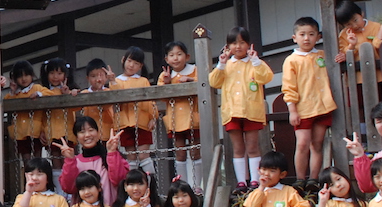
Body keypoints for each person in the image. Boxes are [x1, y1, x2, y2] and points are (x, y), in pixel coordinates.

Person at [208, 27, 273, 187]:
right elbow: (214, 82)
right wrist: (221, 64)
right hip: (232, 112)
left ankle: (255, 180)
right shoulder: (226, 65)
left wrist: (256, 61)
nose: (238, 46)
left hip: (252, 111)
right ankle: (241, 182)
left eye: (242, 42)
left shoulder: (255, 63)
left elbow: (266, 77)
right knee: (237, 147)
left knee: (252, 146)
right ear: (227, 46)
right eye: (233, 43)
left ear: (249, 44)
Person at [282, 17, 336, 182]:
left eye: (311, 34)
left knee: (317, 144)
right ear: (295, 37)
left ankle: (313, 179)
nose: (307, 38)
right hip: (303, 109)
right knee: (303, 144)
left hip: (323, 106)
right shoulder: (291, 60)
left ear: (318, 37)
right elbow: (288, 87)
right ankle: (300, 179)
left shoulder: (323, 55)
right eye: (302, 34)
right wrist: (292, 111)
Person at [158, 41, 200, 182]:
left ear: (187, 57)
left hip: (193, 118)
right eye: (171, 55)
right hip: (175, 120)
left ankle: (198, 185)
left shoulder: (195, 71)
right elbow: (161, 97)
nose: (175, 58)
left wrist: (190, 80)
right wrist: (167, 83)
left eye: (179, 54)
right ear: (167, 59)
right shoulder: (164, 75)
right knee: (180, 153)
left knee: (196, 152)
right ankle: (183, 183)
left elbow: (204, 84)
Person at [109, 46, 157, 164]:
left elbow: (151, 103)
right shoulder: (117, 81)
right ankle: (132, 181)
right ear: (123, 60)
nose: (131, 65)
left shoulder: (143, 81)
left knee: (144, 155)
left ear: (140, 66)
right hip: (125, 123)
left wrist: (153, 118)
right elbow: (116, 97)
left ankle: (150, 181)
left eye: (136, 63)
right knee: (131, 157)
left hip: (143, 122)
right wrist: (112, 81)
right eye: (129, 61)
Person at [6, 59, 46, 160]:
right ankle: (28, 175)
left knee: (38, 158)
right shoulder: (16, 93)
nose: (24, 79)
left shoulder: (37, 88)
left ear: (31, 75)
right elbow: (6, 102)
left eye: (26, 75)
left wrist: (39, 94)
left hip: (36, 130)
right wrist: (12, 92)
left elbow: (48, 93)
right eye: (20, 76)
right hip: (20, 131)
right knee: (26, 159)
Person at [39, 58, 76, 167]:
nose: (55, 77)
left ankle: (68, 182)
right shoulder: (43, 91)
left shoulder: (71, 90)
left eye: (59, 73)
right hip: (51, 131)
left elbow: (78, 107)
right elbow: (40, 114)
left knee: (67, 159)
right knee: (55, 159)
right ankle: (58, 183)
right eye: (52, 73)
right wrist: (41, 130)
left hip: (68, 131)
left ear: (66, 74)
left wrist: (68, 94)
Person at [333, 0, 381, 64]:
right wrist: (352, 45)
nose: (354, 26)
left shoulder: (376, 27)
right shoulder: (344, 35)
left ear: (362, 13)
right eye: (348, 24)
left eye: (355, 20)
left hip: (379, 69)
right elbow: (343, 53)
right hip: (357, 72)